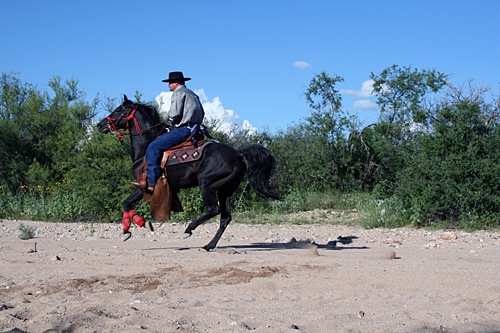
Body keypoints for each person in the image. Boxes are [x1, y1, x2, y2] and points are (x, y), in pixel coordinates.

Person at [135, 71, 205, 193]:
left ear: (176, 83)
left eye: (170, 83)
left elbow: (175, 113)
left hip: (183, 129)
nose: (168, 85)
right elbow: (202, 113)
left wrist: (165, 117)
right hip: (196, 128)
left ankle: (152, 182)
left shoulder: (178, 93)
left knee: (153, 147)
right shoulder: (193, 94)